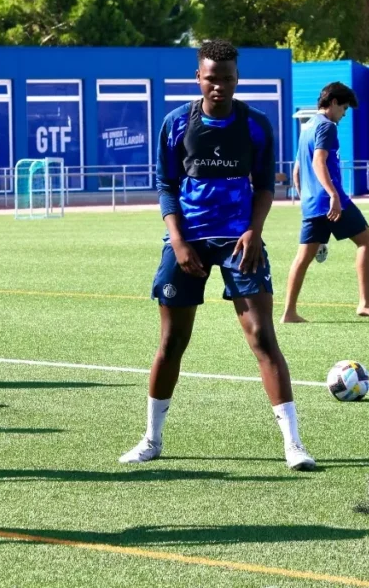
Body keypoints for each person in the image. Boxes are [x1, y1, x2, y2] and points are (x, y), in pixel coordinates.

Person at [119, 39, 315, 471]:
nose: (219, 87)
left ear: (237, 79)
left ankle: (294, 445)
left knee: (263, 336)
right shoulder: (175, 124)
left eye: (227, 79)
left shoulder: (256, 124)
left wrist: (253, 231)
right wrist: (178, 240)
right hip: (187, 239)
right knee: (172, 342)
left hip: (239, 241)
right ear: (198, 79)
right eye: (211, 79)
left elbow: (265, 186)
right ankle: (151, 439)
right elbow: (166, 186)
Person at [281, 82, 369, 324]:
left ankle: (288, 312)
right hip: (331, 200)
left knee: (303, 258)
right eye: (344, 108)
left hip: (311, 203)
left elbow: (298, 170)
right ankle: (365, 303)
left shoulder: (306, 126)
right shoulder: (327, 126)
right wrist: (332, 195)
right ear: (332, 103)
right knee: (367, 242)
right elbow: (319, 162)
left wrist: (305, 198)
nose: (344, 114)